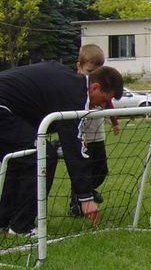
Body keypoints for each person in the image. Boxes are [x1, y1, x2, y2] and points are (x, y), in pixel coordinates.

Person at [0, 62, 123, 235]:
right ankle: (21, 227)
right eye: (104, 100)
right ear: (95, 87)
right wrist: (85, 198)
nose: (102, 106)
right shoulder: (74, 96)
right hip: (3, 109)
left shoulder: (70, 83)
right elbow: (73, 145)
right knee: (44, 157)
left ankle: (5, 221)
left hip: (8, 110)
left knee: (20, 160)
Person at [68, 44, 121, 217]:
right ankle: (77, 202)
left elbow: (109, 103)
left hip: (97, 135)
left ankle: (87, 192)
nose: (91, 77)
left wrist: (114, 123)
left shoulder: (101, 90)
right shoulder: (74, 90)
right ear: (79, 67)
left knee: (101, 170)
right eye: (89, 71)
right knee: (83, 169)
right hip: (82, 138)